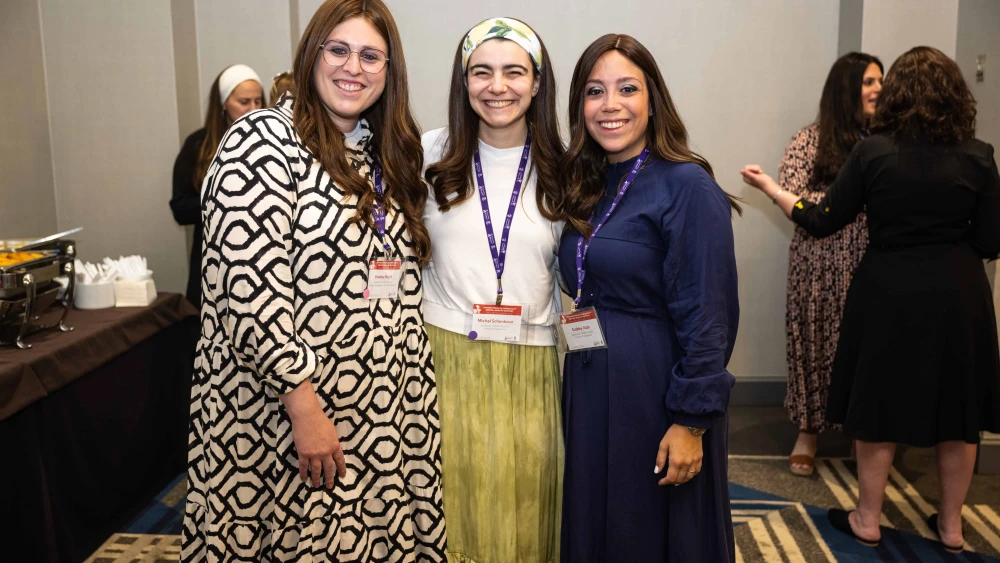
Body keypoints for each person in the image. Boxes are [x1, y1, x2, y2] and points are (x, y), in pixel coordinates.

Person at [181, 0, 446, 560]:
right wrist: (303, 405)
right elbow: (248, 290)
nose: (354, 67)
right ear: (311, 54)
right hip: (285, 420)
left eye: (371, 55)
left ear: (389, 70)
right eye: (339, 50)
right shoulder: (262, 142)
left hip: (379, 416)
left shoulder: (383, 148)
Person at [742, 46, 1000, 554]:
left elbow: (821, 220)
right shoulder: (980, 155)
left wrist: (774, 190)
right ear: (955, 96)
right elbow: (992, 242)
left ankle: (867, 518)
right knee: (960, 414)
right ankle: (950, 527)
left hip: (886, 289)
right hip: (959, 295)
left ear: (896, 95)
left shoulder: (873, 152)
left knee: (876, 405)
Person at [557, 34, 740, 562]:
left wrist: (690, 421)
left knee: (650, 531)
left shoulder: (687, 186)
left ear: (653, 99)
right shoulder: (590, 184)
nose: (610, 105)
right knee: (598, 523)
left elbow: (710, 316)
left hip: (655, 390)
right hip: (591, 382)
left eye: (627, 88)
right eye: (594, 91)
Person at [421, 17, 564, 563]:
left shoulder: (565, 165)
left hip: (532, 366)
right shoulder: (428, 153)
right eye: (481, 72)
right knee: (451, 510)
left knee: (526, 509)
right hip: (442, 360)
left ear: (536, 82)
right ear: (464, 82)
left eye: (513, 72)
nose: (497, 86)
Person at [776, 52, 883, 476]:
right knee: (814, 345)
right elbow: (792, 195)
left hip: (869, 263)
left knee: (862, 349)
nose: (879, 89)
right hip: (817, 265)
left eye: (881, 81)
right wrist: (843, 202)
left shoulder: (886, 142)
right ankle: (808, 431)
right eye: (870, 81)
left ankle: (864, 436)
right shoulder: (808, 140)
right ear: (846, 88)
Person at [170, 64, 264, 308]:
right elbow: (180, 208)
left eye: (258, 101)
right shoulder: (199, 145)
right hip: (214, 261)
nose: (253, 109)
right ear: (223, 103)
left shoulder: (272, 145)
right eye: (244, 102)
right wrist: (223, 198)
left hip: (263, 262)